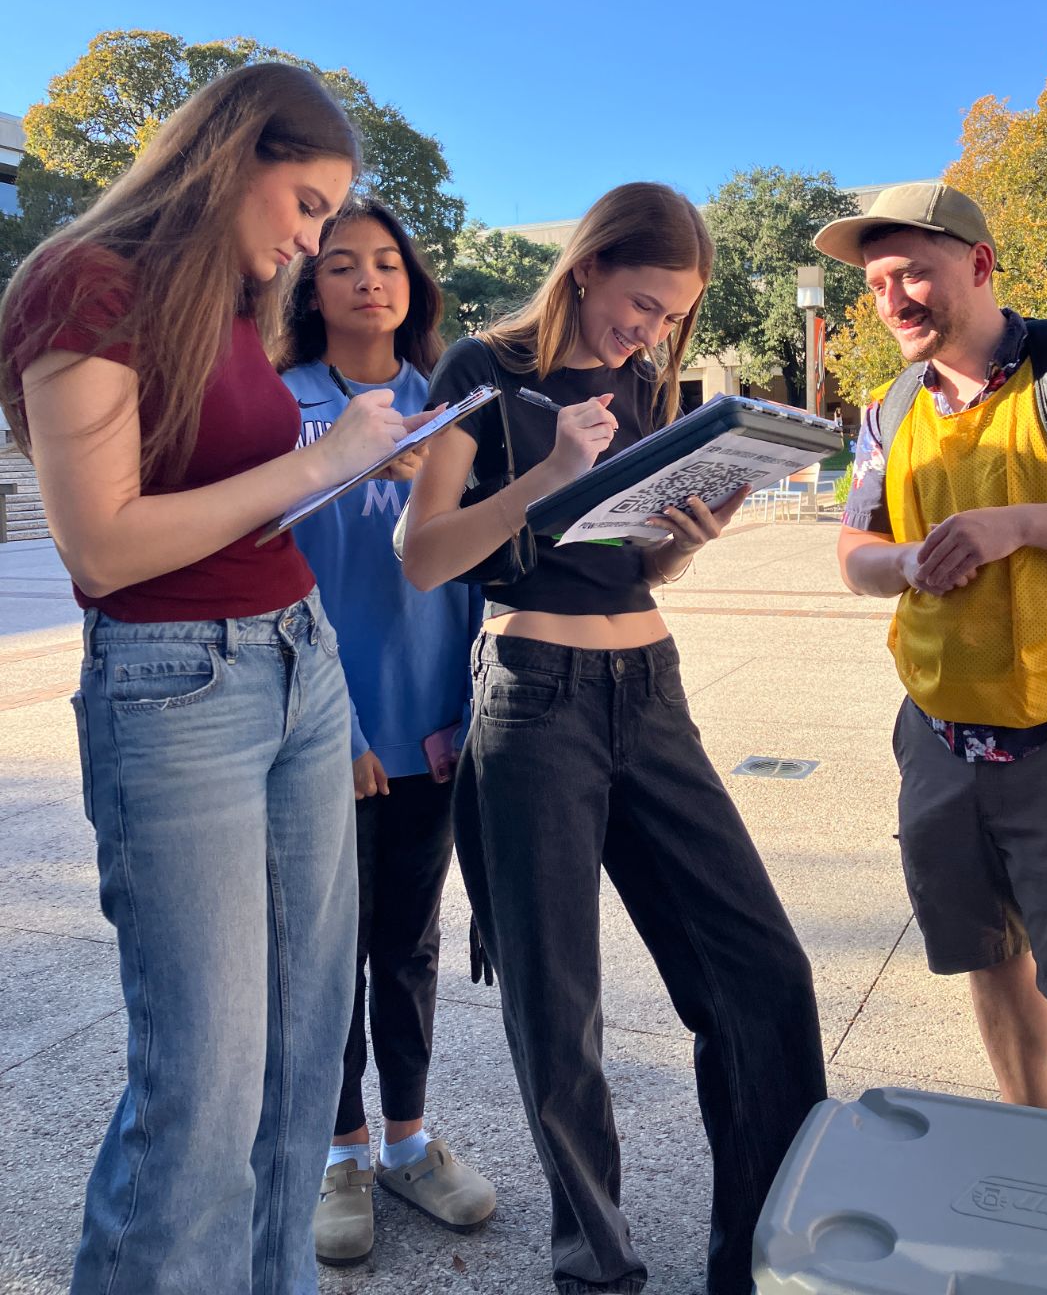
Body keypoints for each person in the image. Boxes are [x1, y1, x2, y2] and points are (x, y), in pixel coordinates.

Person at [0, 64, 441, 1295]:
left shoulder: (230, 304)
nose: (312, 241)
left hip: (301, 660)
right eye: (305, 205)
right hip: (173, 685)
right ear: (233, 154)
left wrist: (358, 461)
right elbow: (102, 545)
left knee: (303, 1060)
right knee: (203, 1076)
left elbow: (223, 493)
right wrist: (320, 464)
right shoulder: (81, 282)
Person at [402, 182, 827, 1295]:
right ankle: (598, 1270)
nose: (649, 333)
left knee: (762, 974)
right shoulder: (482, 373)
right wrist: (543, 479)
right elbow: (422, 553)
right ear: (586, 265)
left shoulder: (646, 387)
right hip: (534, 692)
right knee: (560, 1010)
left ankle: (759, 1255)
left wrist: (687, 539)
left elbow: (627, 560)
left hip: (649, 682)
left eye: (670, 318)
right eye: (641, 302)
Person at [815, 180, 1047, 1126]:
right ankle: (1027, 1148)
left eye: (915, 274)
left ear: (981, 266)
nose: (894, 299)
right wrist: (905, 560)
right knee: (989, 967)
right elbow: (854, 556)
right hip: (940, 738)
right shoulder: (890, 407)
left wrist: (1017, 525)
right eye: (876, 284)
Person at [277, 195, 493, 1266]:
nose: (370, 279)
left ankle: (407, 1139)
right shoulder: (280, 408)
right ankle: (339, 1153)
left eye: (388, 262)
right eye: (341, 263)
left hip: (437, 731)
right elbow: (279, 580)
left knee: (408, 946)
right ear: (306, 290)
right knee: (323, 960)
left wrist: (463, 710)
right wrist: (339, 727)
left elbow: (477, 576)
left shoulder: (456, 404)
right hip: (323, 731)